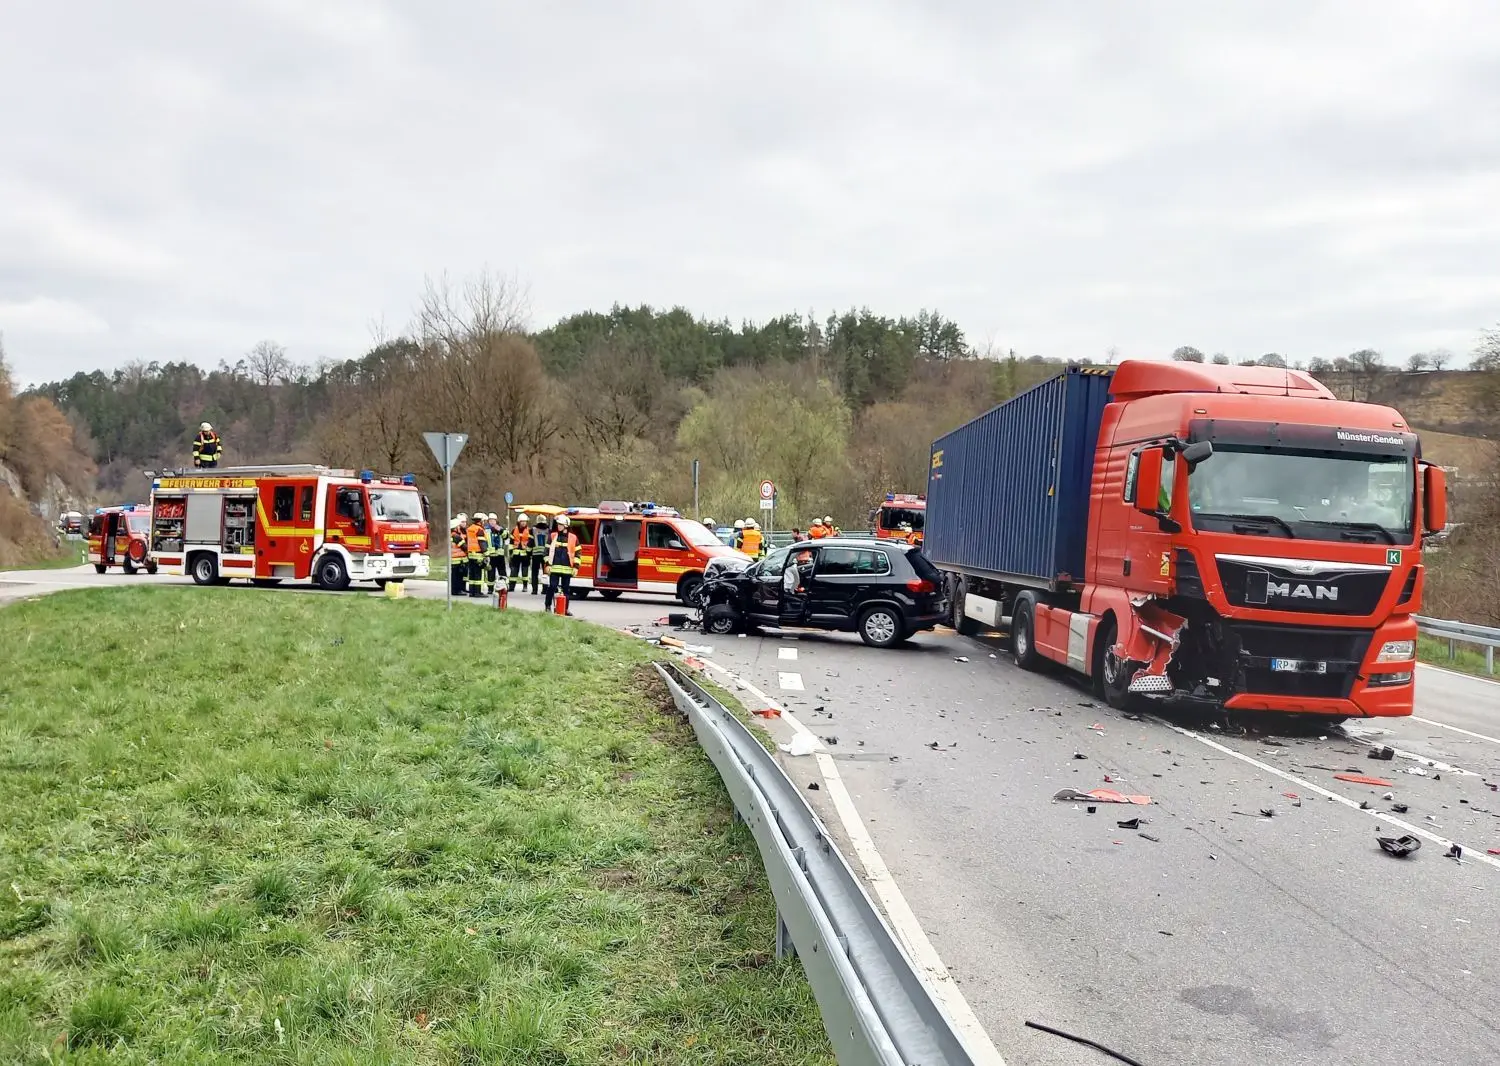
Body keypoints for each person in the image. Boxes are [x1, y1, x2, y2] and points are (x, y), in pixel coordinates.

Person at [544, 514, 580, 614]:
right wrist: (547, 564)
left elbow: (577, 554)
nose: (558, 526)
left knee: (566, 590)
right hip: (554, 567)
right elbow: (546, 551)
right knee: (552, 587)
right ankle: (547, 606)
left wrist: (576, 567)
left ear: (566, 526)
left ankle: (565, 609)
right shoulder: (552, 536)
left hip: (567, 568)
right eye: (558, 524)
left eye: (561, 525)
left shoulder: (573, 538)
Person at [465, 513, 489, 598]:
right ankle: (478, 592)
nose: (485, 523)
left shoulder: (469, 529)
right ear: (481, 521)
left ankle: (472, 592)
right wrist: (486, 554)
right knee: (478, 574)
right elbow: (482, 543)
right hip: (478, 555)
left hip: (471, 554)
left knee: (472, 574)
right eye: (484, 521)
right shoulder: (479, 530)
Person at [509, 513, 532, 592]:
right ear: (519, 521)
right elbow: (511, 543)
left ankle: (525, 586)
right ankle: (511, 586)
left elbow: (530, 543)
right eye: (522, 521)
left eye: (525, 521)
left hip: (525, 554)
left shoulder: (529, 531)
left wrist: (529, 554)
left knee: (525, 572)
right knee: (514, 571)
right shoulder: (514, 530)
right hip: (515, 554)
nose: (523, 523)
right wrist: (510, 554)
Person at [528, 516, 549, 594]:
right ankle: (545, 589)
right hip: (546, 554)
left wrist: (528, 553)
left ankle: (534, 590)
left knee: (534, 573)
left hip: (536, 554)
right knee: (546, 572)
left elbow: (530, 543)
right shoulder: (548, 530)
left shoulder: (532, 530)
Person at [449, 516, 467, 596]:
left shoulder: (451, 535)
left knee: (454, 576)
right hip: (458, 559)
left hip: (453, 559)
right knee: (458, 577)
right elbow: (464, 547)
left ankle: (455, 590)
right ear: (456, 527)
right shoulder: (456, 536)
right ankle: (458, 590)